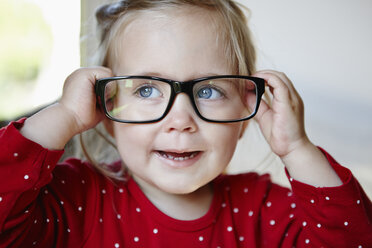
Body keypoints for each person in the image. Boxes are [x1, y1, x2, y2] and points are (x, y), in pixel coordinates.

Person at [0, 0, 371, 247]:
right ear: (106, 110)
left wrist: (297, 149)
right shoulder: (78, 200)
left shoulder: (260, 211)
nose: (180, 121)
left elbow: (354, 239)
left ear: (246, 113)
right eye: (146, 90)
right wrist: (64, 117)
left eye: (209, 91)